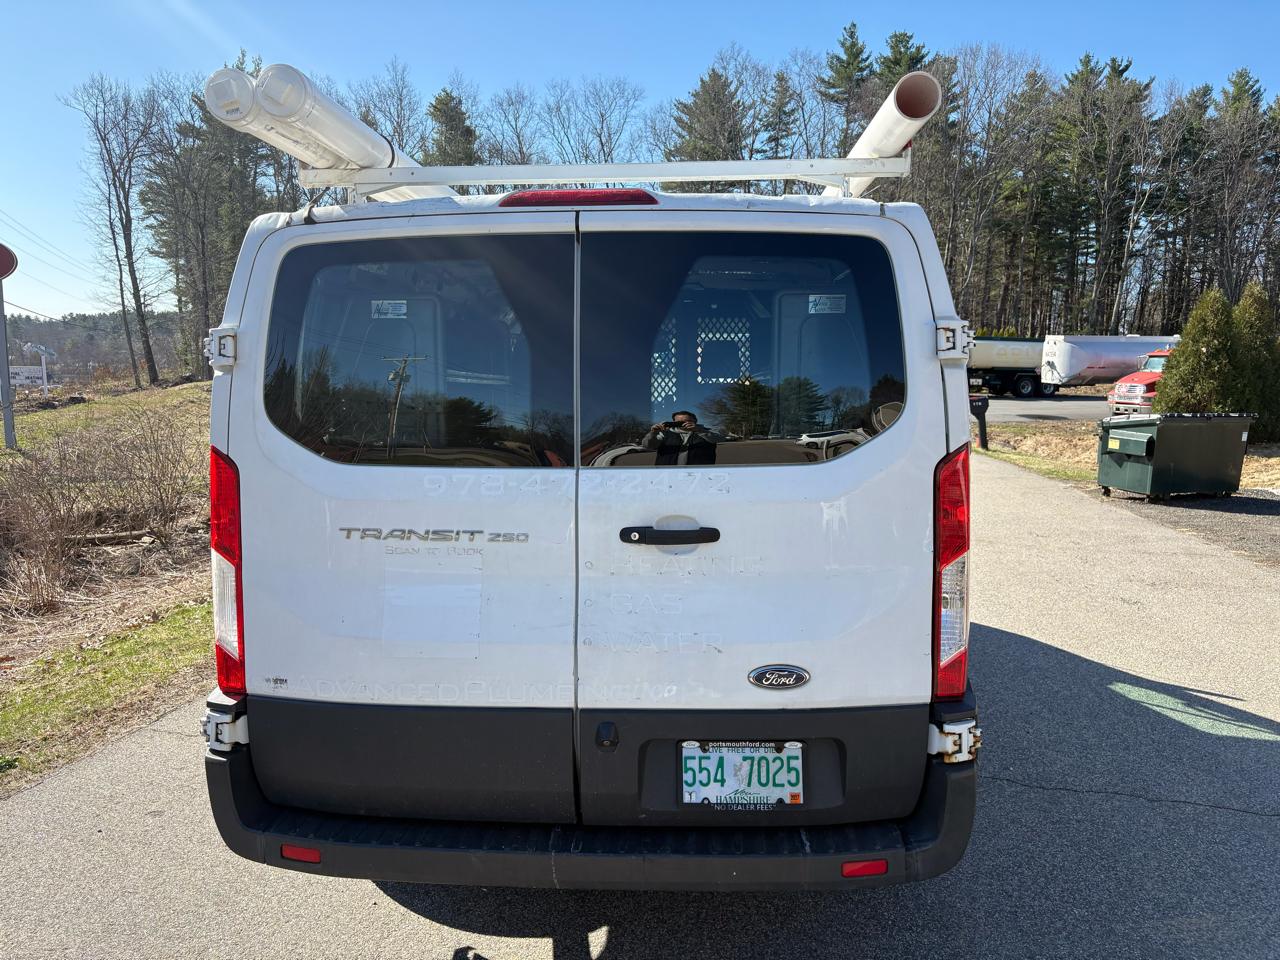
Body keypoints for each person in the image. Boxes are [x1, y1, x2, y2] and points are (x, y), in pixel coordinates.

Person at [641, 410, 720, 465]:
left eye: (686, 421)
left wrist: (699, 430)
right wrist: (652, 433)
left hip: (698, 473)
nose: (682, 424)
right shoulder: (665, 433)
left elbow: (719, 438)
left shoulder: (707, 431)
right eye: (678, 422)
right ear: (673, 422)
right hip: (668, 473)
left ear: (695, 421)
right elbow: (647, 446)